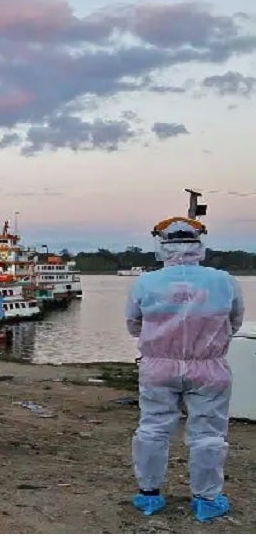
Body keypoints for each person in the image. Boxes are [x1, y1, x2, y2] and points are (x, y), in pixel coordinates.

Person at [125, 217, 244, 522]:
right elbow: (235, 322)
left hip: (158, 366)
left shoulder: (145, 282)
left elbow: (133, 325)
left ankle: (149, 495)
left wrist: (161, 341)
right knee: (208, 434)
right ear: (199, 245)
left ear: (161, 246)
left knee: (153, 427)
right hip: (209, 366)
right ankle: (207, 499)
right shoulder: (224, 280)